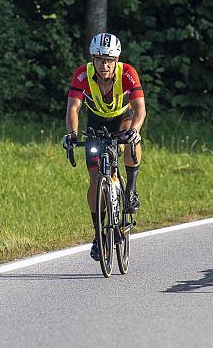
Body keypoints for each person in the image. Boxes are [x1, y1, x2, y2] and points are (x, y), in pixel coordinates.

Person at [62, 32, 146, 261]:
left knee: (131, 141)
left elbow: (140, 108)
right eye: (99, 59)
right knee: (96, 179)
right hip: (96, 122)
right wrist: (71, 134)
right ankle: (99, 235)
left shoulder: (127, 73)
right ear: (93, 59)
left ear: (116, 60)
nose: (104, 65)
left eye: (109, 60)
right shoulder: (82, 75)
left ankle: (130, 190)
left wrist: (135, 130)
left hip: (122, 118)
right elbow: (73, 108)